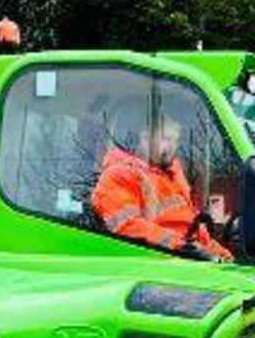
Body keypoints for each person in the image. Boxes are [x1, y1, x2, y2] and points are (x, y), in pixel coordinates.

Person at [89, 99, 232, 259]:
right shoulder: (119, 175)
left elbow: (192, 229)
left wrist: (224, 256)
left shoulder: (173, 176)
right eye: (165, 139)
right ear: (144, 138)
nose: (172, 146)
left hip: (181, 259)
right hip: (156, 262)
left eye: (175, 140)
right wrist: (180, 246)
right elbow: (127, 227)